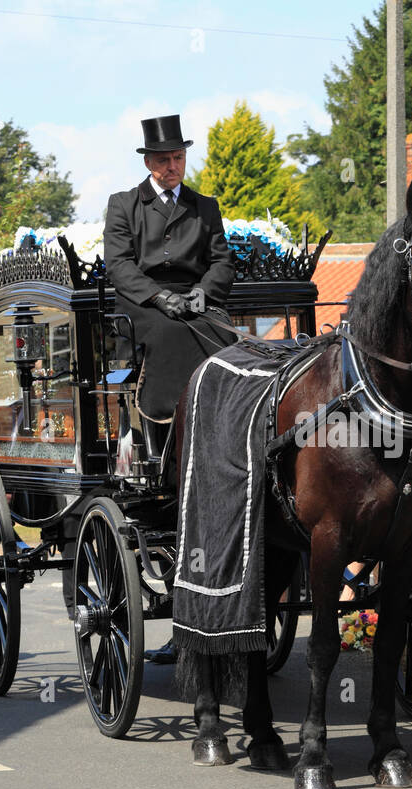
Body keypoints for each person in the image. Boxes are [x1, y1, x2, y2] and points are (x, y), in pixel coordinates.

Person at [104, 114, 237, 665]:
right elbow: (118, 264)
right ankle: (165, 430)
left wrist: (205, 292)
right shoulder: (123, 204)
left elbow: (224, 258)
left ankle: (228, 430)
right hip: (145, 308)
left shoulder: (204, 207)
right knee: (167, 333)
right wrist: (161, 300)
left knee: (229, 343)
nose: (171, 165)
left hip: (197, 303)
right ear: (148, 163)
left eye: (178, 158)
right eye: (162, 160)